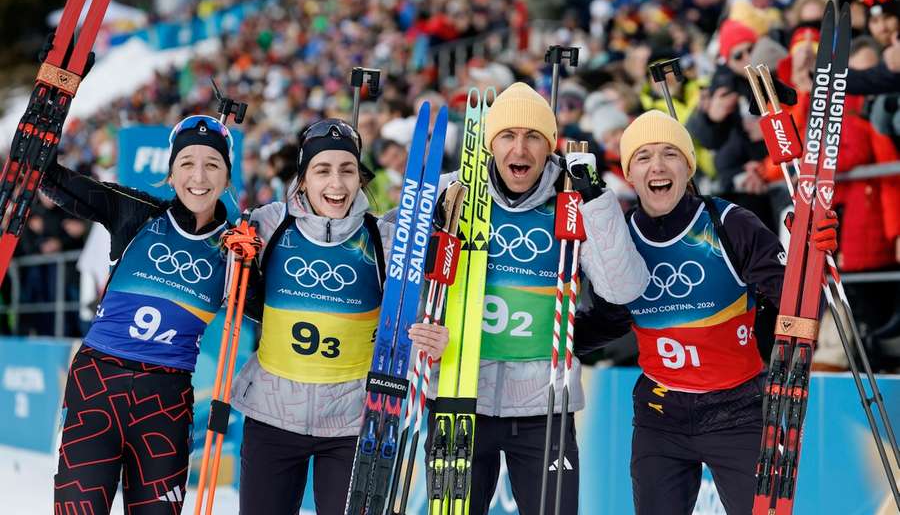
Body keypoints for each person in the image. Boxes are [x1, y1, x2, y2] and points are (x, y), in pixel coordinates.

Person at [577, 110, 838, 514]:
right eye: (643, 157)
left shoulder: (729, 224)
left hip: (739, 410)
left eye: (670, 154)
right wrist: (549, 337)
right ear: (629, 173)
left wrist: (811, 257)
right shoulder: (621, 239)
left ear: (687, 166)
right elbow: (610, 319)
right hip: (660, 412)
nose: (658, 166)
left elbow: (799, 305)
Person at [427, 82, 650, 515]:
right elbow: (391, 266)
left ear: (550, 145)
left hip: (542, 406)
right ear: (491, 143)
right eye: (508, 136)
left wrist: (597, 201)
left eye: (533, 137)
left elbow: (623, 289)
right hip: (459, 394)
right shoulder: (450, 193)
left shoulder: (573, 200)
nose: (520, 149)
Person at [230, 118, 448, 515]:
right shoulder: (268, 224)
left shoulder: (381, 238)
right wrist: (233, 255)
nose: (337, 183)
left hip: (353, 424)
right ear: (303, 178)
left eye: (347, 170)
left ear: (360, 178)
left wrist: (436, 337)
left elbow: (418, 312)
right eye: (322, 170)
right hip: (272, 416)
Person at [46, 115, 236, 514]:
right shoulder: (136, 212)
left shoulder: (237, 249)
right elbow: (56, 181)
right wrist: (37, 145)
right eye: (186, 163)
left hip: (165, 402)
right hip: (98, 384)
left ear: (227, 177)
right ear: (170, 173)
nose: (198, 176)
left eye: (212, 164)